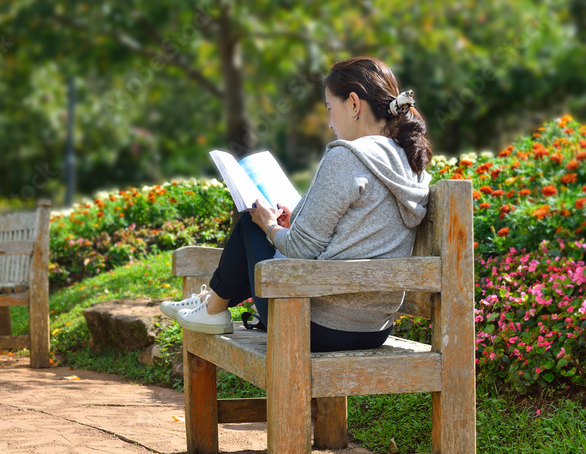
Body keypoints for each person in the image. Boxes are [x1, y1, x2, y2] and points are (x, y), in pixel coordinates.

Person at [161, 56, 432, 352]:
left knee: (249, 226)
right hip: (374, 329)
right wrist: (292, 222)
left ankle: (212, 307)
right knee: (259, 227)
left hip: (315, 326)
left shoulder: (348, 156)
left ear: (354, 104)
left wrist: (268, 224)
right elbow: (358, 232)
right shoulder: (410, 161)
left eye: (330, 109)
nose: (330, 123)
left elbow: (303, 250)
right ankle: (210, 303)